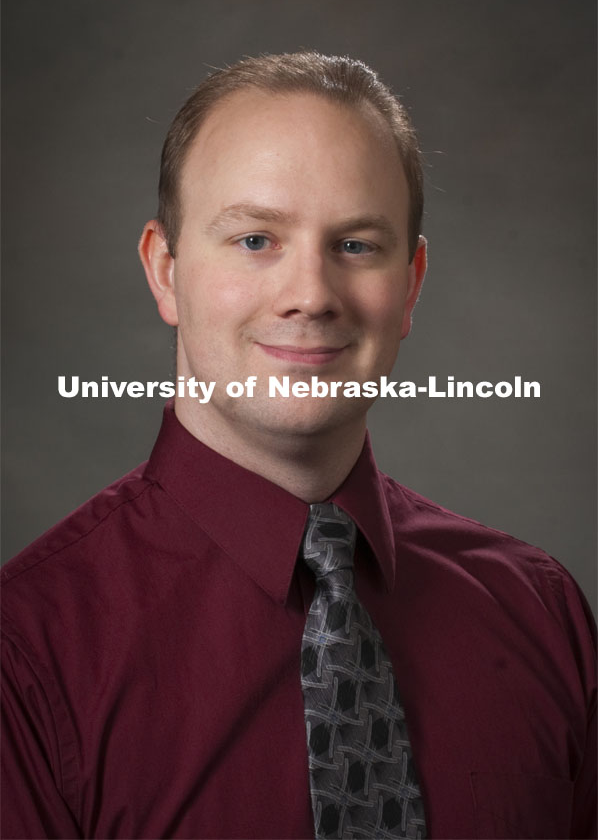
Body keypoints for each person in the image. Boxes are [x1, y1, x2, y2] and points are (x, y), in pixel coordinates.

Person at [1, 52, 595, 840]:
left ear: (411, 285)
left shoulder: (541, 612)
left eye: (355, 245)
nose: (310, 295)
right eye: (255, 240)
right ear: (164, 270)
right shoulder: (26, 652)